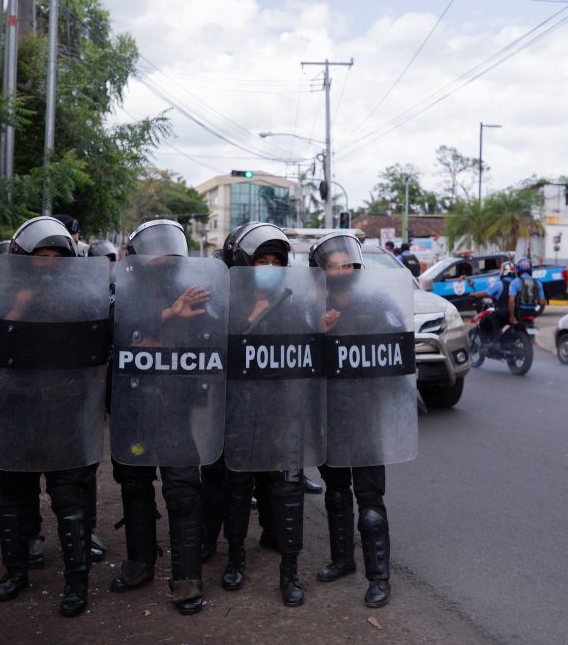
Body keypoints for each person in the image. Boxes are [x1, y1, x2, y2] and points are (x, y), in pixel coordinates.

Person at [0, 216, 104, 617]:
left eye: (54, 256)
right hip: (16, 409)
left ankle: (76, 582)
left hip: (66, 411)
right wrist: (18, 302)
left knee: (69, 498)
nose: (47, 263)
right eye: (39, 256)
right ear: (21, 257)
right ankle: (16, 571)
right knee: (13, 496)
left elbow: (101, 342)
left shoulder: (82, 292)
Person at [108, 219, 209, 616]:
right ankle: (140, 561)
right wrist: (166, 318)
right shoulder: (121, 292)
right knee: (134, 482)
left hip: (176, 406)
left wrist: (165, 325)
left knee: (183, 489)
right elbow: (116, 333)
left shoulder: (196, 293)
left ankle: (187, 576)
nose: (163, 258)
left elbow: (210, 338)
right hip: (133, 408)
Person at [210, 222, 313, 607]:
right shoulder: (224, 303)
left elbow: (308, 353)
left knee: (288, 490)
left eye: (275, 261)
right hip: (240, 412)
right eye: (261, 261)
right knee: (238, 488)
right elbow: (213, 354)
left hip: (284, 413)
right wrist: (252, 316)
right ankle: (235, 558)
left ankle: (290, 572)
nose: (268, 267)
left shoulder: (297, 300)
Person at [310, 232, 394, 608]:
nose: (346, 268)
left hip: (365, 415)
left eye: (351, 262)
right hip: (328, 413)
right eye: (337, 263)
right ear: (321, 270)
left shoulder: (376, 303)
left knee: (370, 500)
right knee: (337, 493)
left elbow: (397, 351)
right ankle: (342, 560)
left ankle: (379, 577)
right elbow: (293, 361)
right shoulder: (309, 308)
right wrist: (317, 332)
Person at [469, 261, 518, 340]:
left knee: (486, 319)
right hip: (516, 312)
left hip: (503, 312)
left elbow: (486, 293)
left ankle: (496, 338)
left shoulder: (499, 284)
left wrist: (473, 294)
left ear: (504, 272)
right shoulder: (517, 284)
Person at [507, 257, 544, 323]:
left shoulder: (515, 282)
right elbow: (542, 302)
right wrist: (536, 313)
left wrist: (512, 317)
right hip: (532, 312)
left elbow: (511, 301)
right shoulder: (538, 283)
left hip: (520, 312)